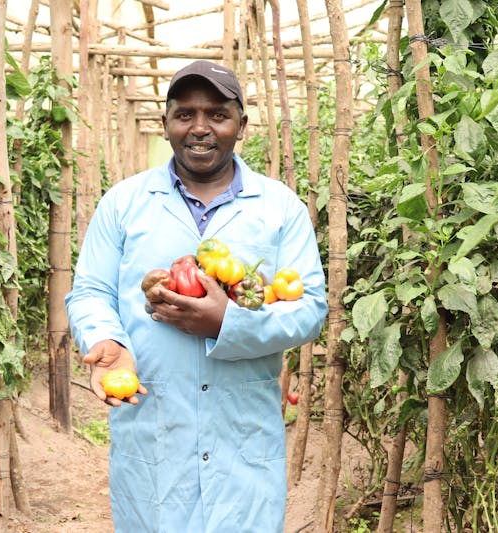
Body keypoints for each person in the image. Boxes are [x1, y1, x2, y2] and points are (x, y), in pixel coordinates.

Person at [65, 59, 328, 533]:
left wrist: (227, 322)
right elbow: (91, 290)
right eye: (185, 114)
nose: (200, 128)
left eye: (217, 115)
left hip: (243, 436)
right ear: (165, 123)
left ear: (241, 125)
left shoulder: (279, 208)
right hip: (155, 430)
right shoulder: (124, 203)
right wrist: (107, 340)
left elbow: (310, 311)